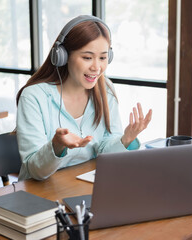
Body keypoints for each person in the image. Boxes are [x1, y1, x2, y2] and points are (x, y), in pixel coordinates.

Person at [16, 15, 152, 181]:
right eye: (87, 57)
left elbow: (105, 152)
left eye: (102, 57)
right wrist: (56, 146)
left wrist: (126, 139)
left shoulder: (105, 89)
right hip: (39, 194)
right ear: (63, 56)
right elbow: (35, 170)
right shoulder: (34, 97)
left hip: (85, 186)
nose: (96, 67)